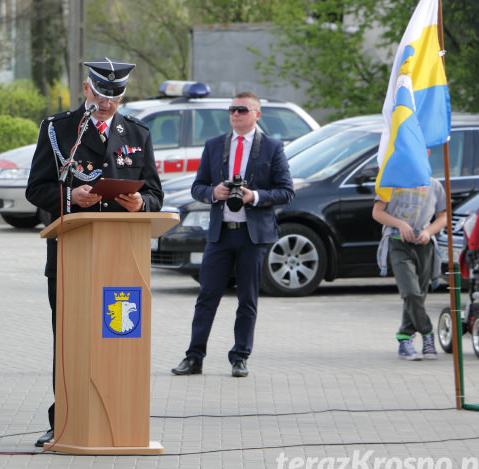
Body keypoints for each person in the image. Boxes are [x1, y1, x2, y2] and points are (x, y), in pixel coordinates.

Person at [25, 58, 164, 447]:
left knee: (118, 338)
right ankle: (64, 419)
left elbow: (155, 192)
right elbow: (35, 189)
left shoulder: (137, 133)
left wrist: (142, 205)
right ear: (87, 89)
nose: (107, 103)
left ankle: (120, 414)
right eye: (102, 94)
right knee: (69, 339)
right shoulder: (59, 130)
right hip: (72, 256)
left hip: (122, 260)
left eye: (115, 96)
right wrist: (69, 195)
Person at [171, 92, 294, 378]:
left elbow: (287, 191)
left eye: (242, 110)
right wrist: (213, 192)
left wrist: (255, 196)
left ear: (256, 114)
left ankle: (240, 357)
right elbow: (197, 186)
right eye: (232, 110)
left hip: (253, 237)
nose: (236, 115)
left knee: (247, 299)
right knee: (207, 296)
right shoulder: (215, 145)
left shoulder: (272, 147)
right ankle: (194, 357)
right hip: (221, 234)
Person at [372, 177, 446, 360]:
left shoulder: (435, 185)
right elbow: (377, 212)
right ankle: (427, 332)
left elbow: (443, 216)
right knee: (410, 293)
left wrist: (428, 231)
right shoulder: (391, 179)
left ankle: (405, 339)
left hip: (424, 246)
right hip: (398, 244)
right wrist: (399, 223)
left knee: (418, 295)